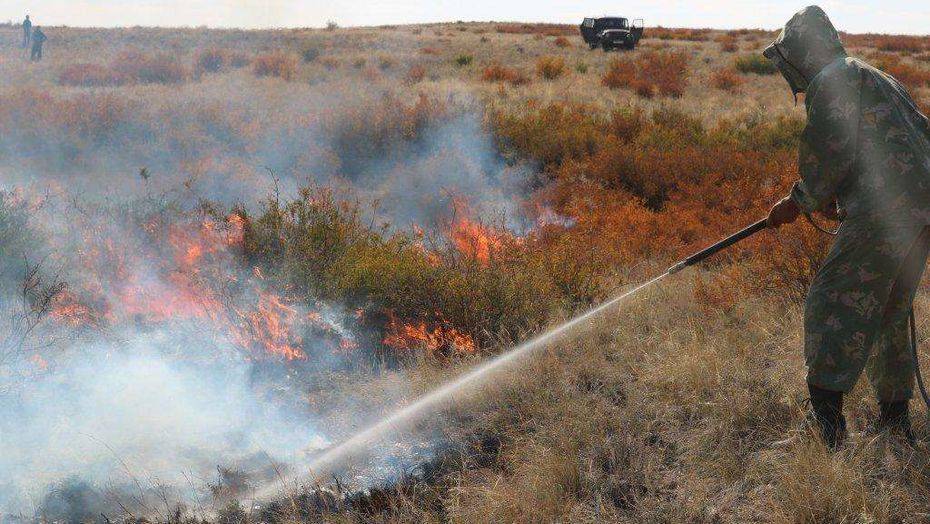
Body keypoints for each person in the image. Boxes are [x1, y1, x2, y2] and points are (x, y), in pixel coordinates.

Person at [766, 6, 930, 448]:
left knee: (830, 302)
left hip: (885, 213)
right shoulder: (877, 76)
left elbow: (831, 152)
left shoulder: (832, 78)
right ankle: (895, 425)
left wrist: (797, 202)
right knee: (890, 312)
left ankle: (827, 430)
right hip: (921, 213)